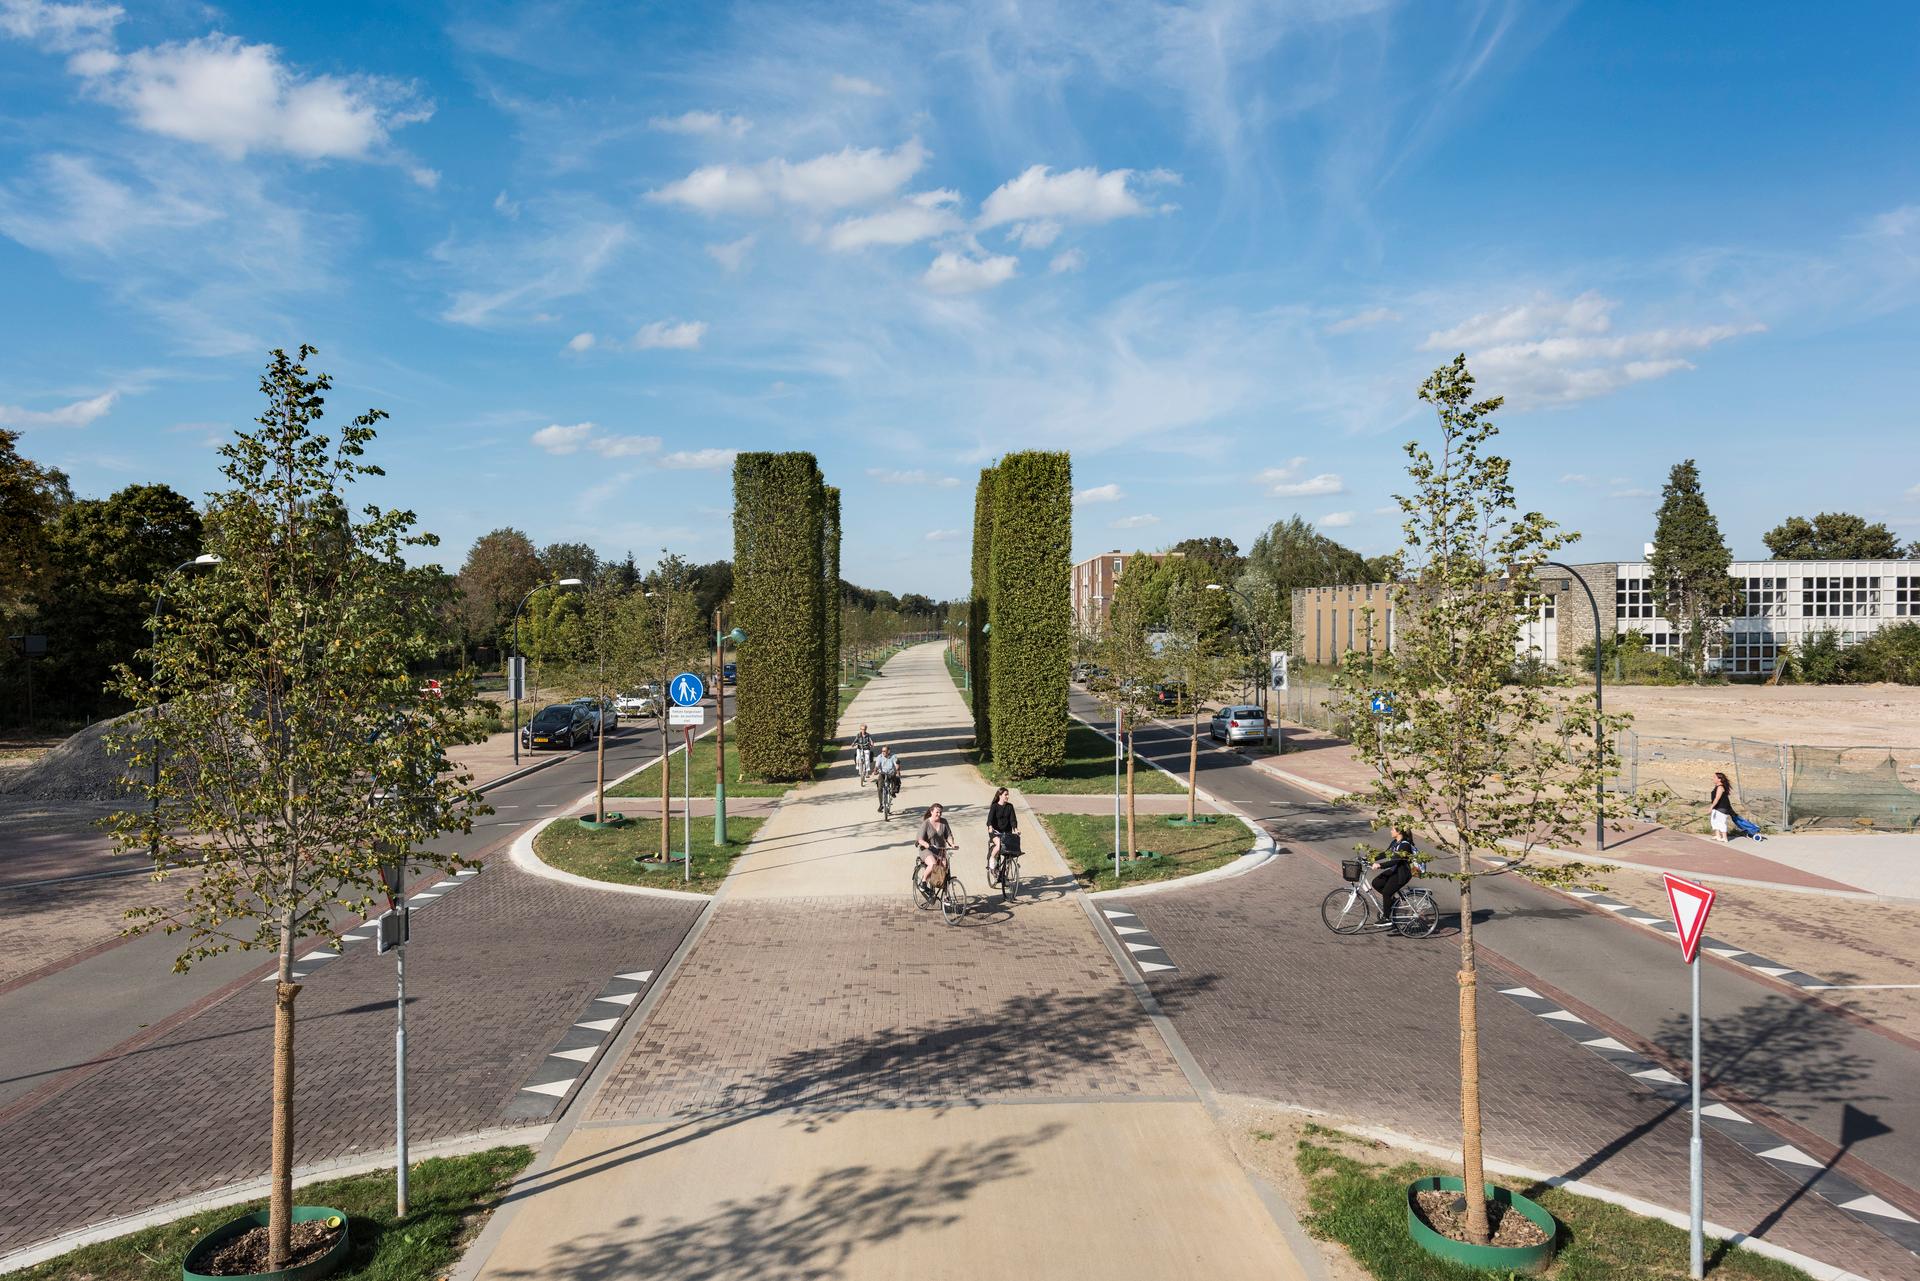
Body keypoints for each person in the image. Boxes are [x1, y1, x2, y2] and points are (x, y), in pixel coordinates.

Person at [1371, 825, 1416, 919]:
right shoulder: (1396, 842)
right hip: (1394, 871)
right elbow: (1386, 853)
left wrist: (1380, 865)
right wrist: (1370, 858)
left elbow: (1395, 861)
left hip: (1402, 874)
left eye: (1392, 829)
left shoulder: (1405, 845)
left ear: (1399, 832)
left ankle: (1386, 918)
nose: (1391, 831)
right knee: (1376, 883)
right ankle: (1392, 902)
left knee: (1387, 892)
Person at [916, 801, 956, 888]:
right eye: (937, 812)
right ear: (931, 812)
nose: (939, 814)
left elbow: (948, 835)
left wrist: (952, 844)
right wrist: (925, 844)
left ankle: (945, 896)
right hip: (927, 850)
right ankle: (923, 882)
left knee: (944, 870)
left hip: (940, 850)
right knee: (933, 864)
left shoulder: (944, 822)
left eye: (940, 812)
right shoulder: (926, 823)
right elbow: (919, 839)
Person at [985, 786, 1018, 878]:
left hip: (1006, 832)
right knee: (999, 845)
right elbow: (989, 819)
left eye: (1008, 795)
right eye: (1005, 795)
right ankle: (992, 859)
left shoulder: (1010, 807)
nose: (1007, 796)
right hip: (995, 832)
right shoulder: (994, 806)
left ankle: (1006, 871)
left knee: (1011, 850)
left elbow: (1013, 820)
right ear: (1000, 795)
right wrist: (990, 827)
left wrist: (1015, 829)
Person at [1709, 771, 1736, 843]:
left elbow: (1717, 798)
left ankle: (1725, 838)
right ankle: (1718, 836)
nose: (1713, 778)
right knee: (1714, 821)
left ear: (1719, 779)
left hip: (1721, 808)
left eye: (1714, 777)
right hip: (1717, 807)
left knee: (1721, 822)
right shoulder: (1717, 786)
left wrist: (1711, 807)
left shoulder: (1720, 787)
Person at [873, 745, 901, 813]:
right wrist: (875, 770)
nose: (883, 752)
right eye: (882, 751)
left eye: (884, 751)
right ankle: (881, 805)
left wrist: (897, 770)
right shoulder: (880, 757)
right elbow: (877, 765)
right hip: (882, 773)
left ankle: (893, 791)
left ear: (888, 751)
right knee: (879, 788)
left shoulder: (893, 756)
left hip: (891, 773)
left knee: (896, 779)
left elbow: (897, 764)